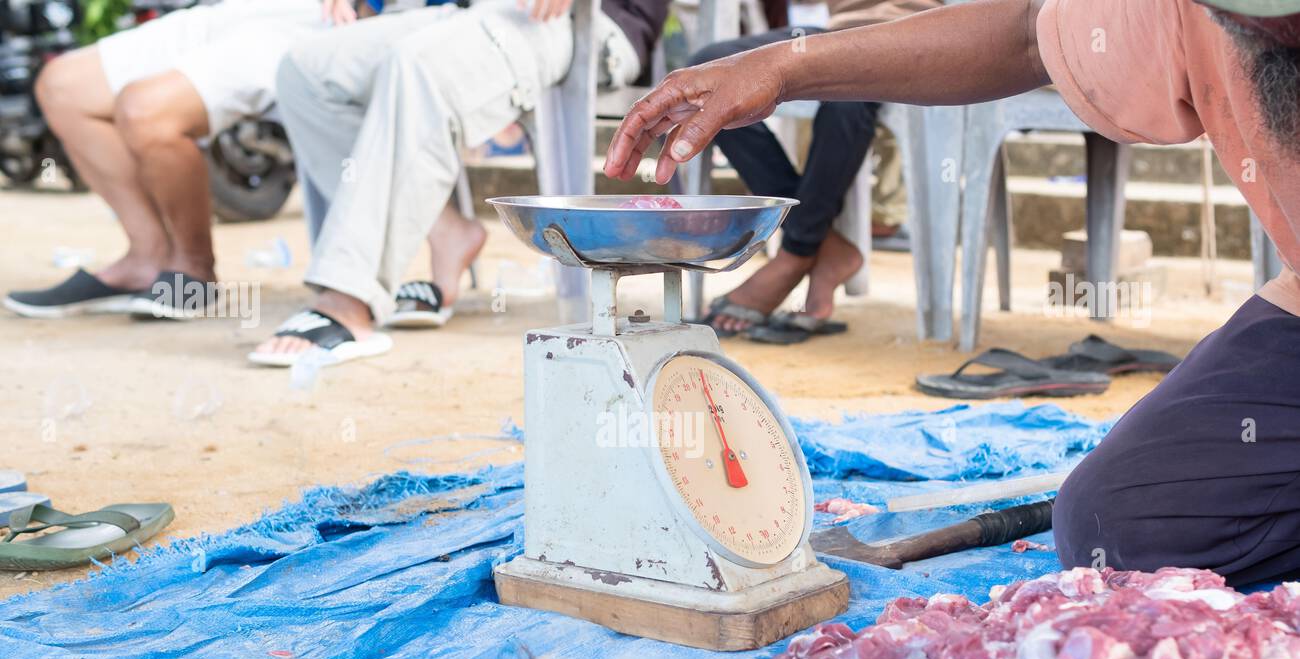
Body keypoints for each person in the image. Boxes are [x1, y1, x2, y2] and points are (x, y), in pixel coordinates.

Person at [606, 0, 1300, 587]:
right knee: (1114, 523)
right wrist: (783, 68)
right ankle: (808, 247)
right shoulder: (1182, 12)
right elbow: (1030, 31)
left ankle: (805, 252)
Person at [250, 0, 668, 367]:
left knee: (417, 67)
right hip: (466, 12)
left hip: (583, 18)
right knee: (305, 70)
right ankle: (445, 229)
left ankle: (349, 298)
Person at [3, 0, 328, 319]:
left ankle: (194, 269)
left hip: (310, 16)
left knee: (145, 110)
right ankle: (147, 256)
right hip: (226, 9)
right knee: (62, 85)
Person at [689, 0, 936, 343]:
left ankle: (798, 252)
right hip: (836, 34)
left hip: (918, 33)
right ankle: (826, 246)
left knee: (849, 91)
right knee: (707, 73)